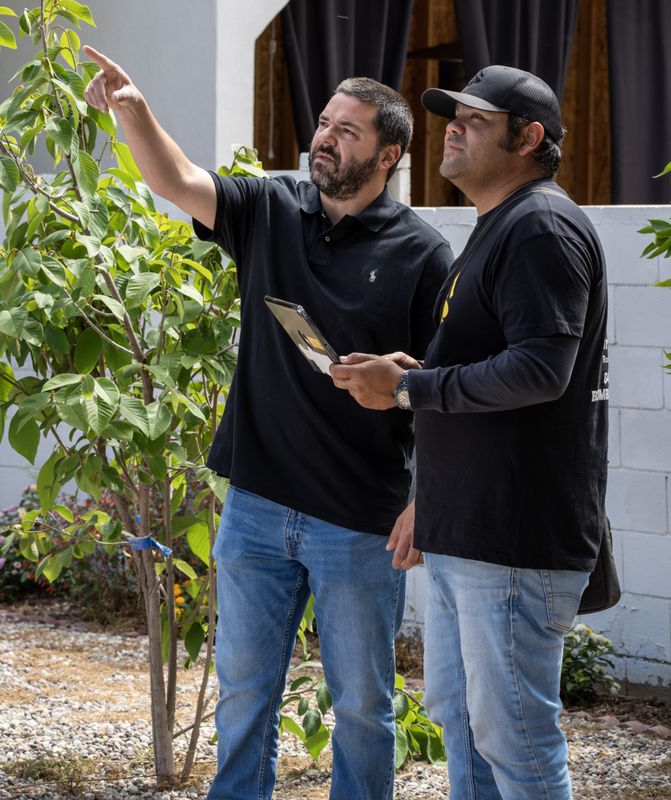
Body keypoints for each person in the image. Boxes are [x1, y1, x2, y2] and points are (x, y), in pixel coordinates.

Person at [82, 46, 453, 800]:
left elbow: (442, 392)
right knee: (244, 698)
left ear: (389, 153)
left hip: (359, 522)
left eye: (346, 131)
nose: (324, 138)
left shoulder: (423, 252)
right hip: (253, 509)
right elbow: (175, 180)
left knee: (360, 709)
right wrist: (134, 110)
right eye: (322, 123)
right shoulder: (271, 208)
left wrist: (427, 498)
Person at [331, 65, 609, 800]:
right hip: (470, 534)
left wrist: (408, 389)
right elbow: (491, 369)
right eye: (450, 115)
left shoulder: (541, 226)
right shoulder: (498, 228)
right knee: (466, 730)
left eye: (475, 120)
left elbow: (540, 370)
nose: (451, 126)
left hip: (512, 544)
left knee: (514, 745)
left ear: (529, 138)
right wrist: (409, 380)